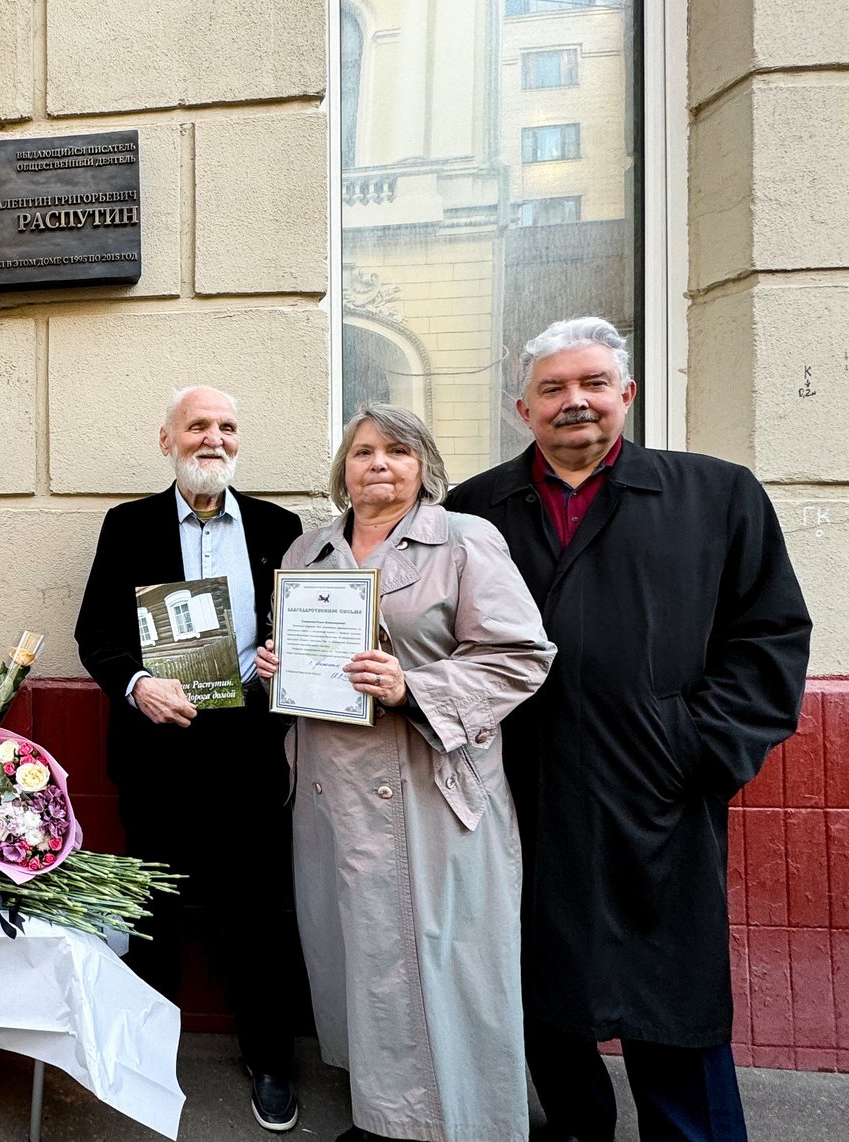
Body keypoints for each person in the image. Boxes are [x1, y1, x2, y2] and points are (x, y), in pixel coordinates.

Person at [444, 318, 811, 1142]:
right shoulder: (477, 508)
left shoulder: (716, 495)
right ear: (522, 408)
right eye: (552, 389)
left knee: (668, 999)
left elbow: (770, 636)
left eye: (592, 384)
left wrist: (698, 746)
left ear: (627, 395)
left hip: (660, 793)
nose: (574, 402)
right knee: (539, 987)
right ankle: (577, 1128)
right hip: (521, 789)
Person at [254, 404, 555, 1142]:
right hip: (329, 789)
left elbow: (521, 656)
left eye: (396, 450)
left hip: (425, 784)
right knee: (357, 958)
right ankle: (386, 1114)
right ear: (342, 469)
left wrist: (411, 687)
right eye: (362, 452)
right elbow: (304, 659)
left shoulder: (464, 540)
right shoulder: (308, 549)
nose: (378, 464)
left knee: (439, 960)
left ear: (423, 466)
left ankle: (461, 1121)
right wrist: (275, 671)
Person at [73, 385, 307, 1132]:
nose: (215, 438)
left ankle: (271, 1058)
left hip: (249, 748)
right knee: (154, 909)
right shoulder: (128, 525)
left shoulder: (279, 526)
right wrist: (138, 684)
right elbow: (95, 636)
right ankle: (148, 1051)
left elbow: (310, 626)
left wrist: (287, 658)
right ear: (167, 440)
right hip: (157, 748)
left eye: (228, 427)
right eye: (198, 426)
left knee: (257, 910)